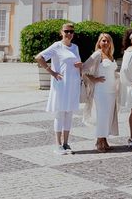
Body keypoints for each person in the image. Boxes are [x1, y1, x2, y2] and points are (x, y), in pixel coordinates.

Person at [35, 22, 84, 154]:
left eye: (71, 32)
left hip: (73, 85)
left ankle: (66, 143)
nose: (69, 34)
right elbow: (39, 57)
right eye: (66, 31)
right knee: (60, 113)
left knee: (69, 114)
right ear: (61, 32)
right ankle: (58, 144)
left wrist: (80, 66)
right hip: (61, 85)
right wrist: (51, 72)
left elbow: (76, 63)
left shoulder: (75, 47)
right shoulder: (57, 46)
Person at [81, 33, 120, 152]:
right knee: (102, 116)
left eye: (108, 41)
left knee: (108, 116)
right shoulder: (97, 54)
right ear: (99, 42)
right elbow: (84, 68)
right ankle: (99, 141)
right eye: (103, 41)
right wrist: (93, 79)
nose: (106, 43)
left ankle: (105, 140)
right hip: (101, 91)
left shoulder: (110, 55)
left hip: (111, 91)